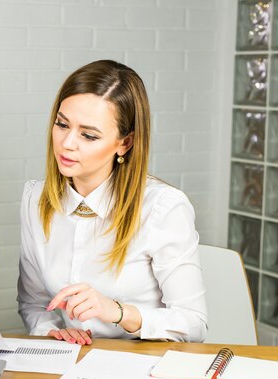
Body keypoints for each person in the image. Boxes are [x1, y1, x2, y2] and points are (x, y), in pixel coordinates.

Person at [17, 60, 207, 345]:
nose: (67, 143)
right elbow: (34, 304)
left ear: (125, 143)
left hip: (143, 366)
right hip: (73, 363)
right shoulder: (36, 200)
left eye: (89, 135)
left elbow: (194, 325)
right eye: (62, 124)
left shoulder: (163, 208)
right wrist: (53, 331)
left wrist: (118, 312)